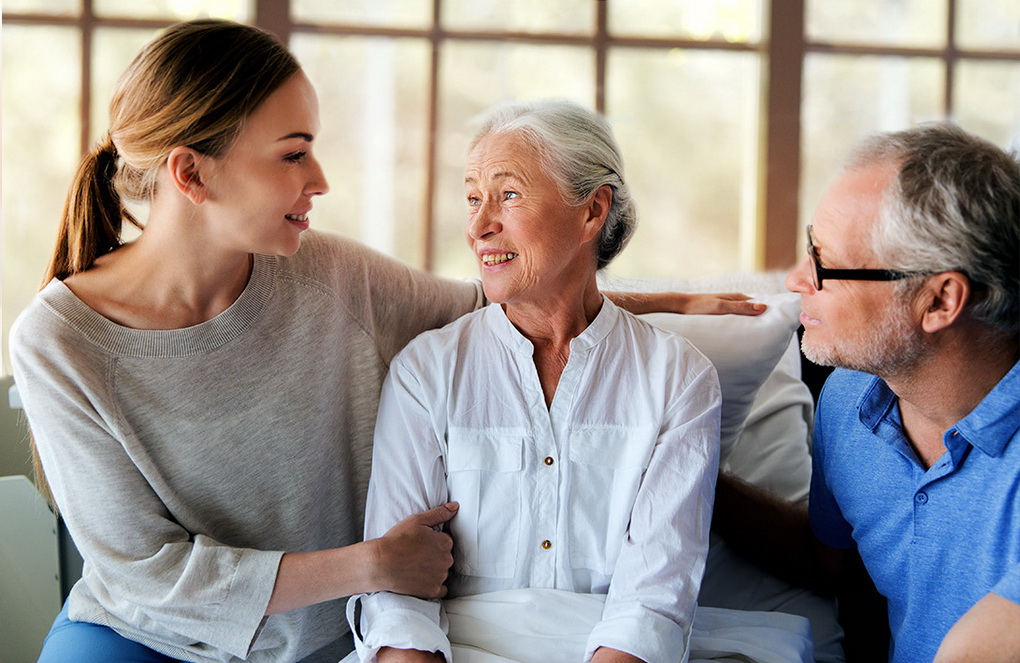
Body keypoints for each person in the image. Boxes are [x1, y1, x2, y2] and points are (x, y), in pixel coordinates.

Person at [10, 20, 760, 663]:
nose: (321, 178)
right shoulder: (58, 341)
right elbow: (146, 574)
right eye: (293, 152)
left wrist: (671, 301)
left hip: (320, 638)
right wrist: (371, 563)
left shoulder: (329, 274)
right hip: (142, 635)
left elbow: (508, 295)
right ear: (190, 173)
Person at [350, 100, 722, 663]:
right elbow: (396, 600)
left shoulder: (679, 378)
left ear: (592, 211)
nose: (478, 227)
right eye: (473, 199)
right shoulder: (425, 371)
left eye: (509, 194)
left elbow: (653, 602)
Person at [713, 123, 1019, 663]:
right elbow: (830, 559)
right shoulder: (851, 400)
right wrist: (685, 467)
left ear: (939, 300)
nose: (793, 279)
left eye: (824, 263)